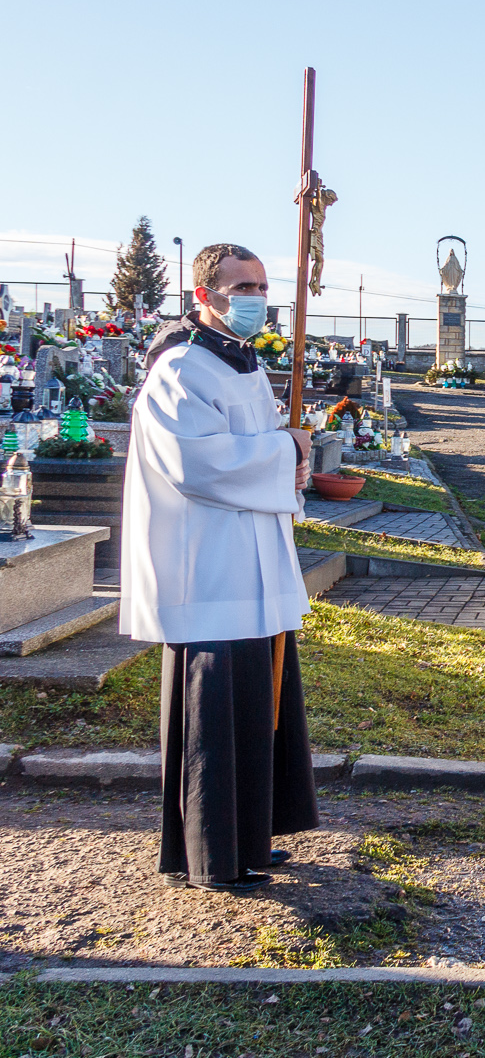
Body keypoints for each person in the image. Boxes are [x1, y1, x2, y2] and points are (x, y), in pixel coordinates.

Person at [120, 243, 320, 891]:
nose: (256, 297)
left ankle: (249, 839)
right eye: (242, 287)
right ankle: (211, 853)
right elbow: (197, 463)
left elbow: (263, 454)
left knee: (256, 708)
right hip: (206, 567)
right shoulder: (181, 367)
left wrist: (291, 461)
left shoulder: (241, 362)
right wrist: (284, 451)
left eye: (262, 286)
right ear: (204, 295)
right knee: (213, 719)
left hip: (251, 564)